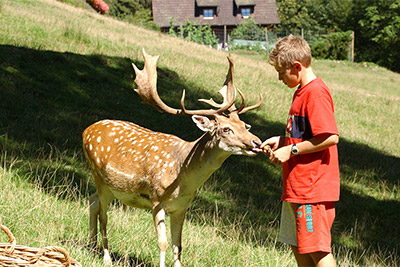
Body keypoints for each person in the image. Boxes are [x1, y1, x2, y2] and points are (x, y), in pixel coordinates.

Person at [254, 35, 340, 267]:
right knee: (301, 249)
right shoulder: (301, 92)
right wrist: (282, 141)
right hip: (296, 188)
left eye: (282, 73)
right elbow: (306, 136)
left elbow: (330, 137)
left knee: (317, 251)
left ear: (297, 67)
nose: (280, 78)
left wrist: (290, 150)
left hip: (311, 190)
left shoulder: (316, 93)